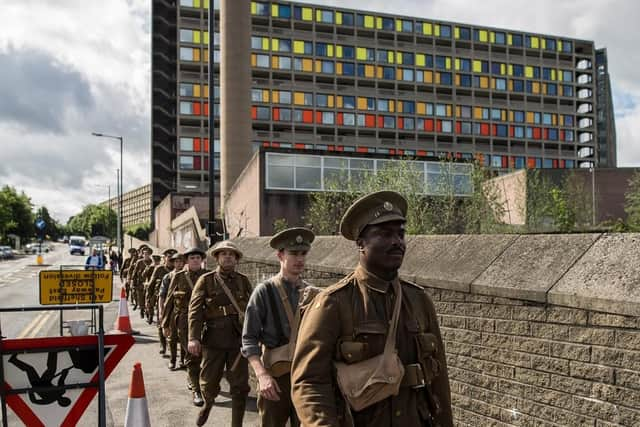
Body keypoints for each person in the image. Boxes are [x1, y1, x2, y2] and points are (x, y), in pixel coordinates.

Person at [291, 191, 453, 427]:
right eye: (385, 234)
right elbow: (308, 382)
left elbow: (439, 381)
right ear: (361, 243)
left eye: (400, 234)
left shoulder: (419, 301)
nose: (397, 241)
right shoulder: (333, 303)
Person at [242, 227, 319, 427]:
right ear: (280, 255)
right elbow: (249, 338)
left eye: (303, 253)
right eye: (294, 253)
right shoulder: (264, 291)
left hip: (306, 375)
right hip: (276, 375)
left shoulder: (312, 293)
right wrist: (262, 376)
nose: (300, 259)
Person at [188, 241, 253, 427]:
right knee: (208, 385)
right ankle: (207, 404)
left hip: (237, 340)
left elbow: (253, 310)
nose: (227, 257)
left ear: (236, 259)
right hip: (213, 340)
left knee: (240, 388)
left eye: (231, 254)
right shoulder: (206, 280)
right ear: (216, 258)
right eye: (223, 253)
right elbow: (195, 310)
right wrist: (194, 337)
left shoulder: (243, 280)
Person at [163, 247, 209, 407]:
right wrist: (165, 323)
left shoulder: (209, 276)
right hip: (184, 320)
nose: (195, 260)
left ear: (202, 260)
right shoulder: (179, 276)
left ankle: (196, 378)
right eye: (192, 258)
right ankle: (196, 390)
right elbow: (169, 300)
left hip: (207, 319)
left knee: (206, 354)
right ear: (186, 261)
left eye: (198, 257)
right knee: (192, 353)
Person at [159, 252, 186, 368]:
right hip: (172, 310)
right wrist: (161, 311)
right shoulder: (168, 277)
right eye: (176, 261)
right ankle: (173, 359)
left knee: (185, 336)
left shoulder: (187, 276)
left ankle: (183, 360)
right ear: (173, 263)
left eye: (180, 261)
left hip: (185, 311)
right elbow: (162, 295)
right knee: (172, 337)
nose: (178, 263)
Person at [146, 249, 177, 325]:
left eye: (173, 257)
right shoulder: (159, 269)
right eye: (169, 256)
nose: (170, 259)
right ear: (165, 258)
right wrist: (148, 299)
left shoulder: (179, 269)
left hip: (175, 299)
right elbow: (151, 284)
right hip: (161, 297)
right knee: (161, 321)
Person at [130, 245, 153, 312]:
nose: (146, 255)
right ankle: (142, 309)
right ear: (142, 254)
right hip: (140, 283)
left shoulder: (152, 262)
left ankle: (148, 311)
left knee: (148, 297)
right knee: (140, 297)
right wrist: (133, 281)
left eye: (147, 254)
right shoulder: (139, 262)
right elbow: (135, 272)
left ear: (150, 254)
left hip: (149, 283)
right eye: (144, 254)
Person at [141, 254, 162, 320]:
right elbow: (143, 275)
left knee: (155, 302)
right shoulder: (150, 267)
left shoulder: (161, 268)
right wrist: (147, 268)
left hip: (157, 288)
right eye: (155, 261)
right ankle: (150, 314)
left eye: (158, 261)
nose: (156, 262)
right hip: (149, 286)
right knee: (149, 301)